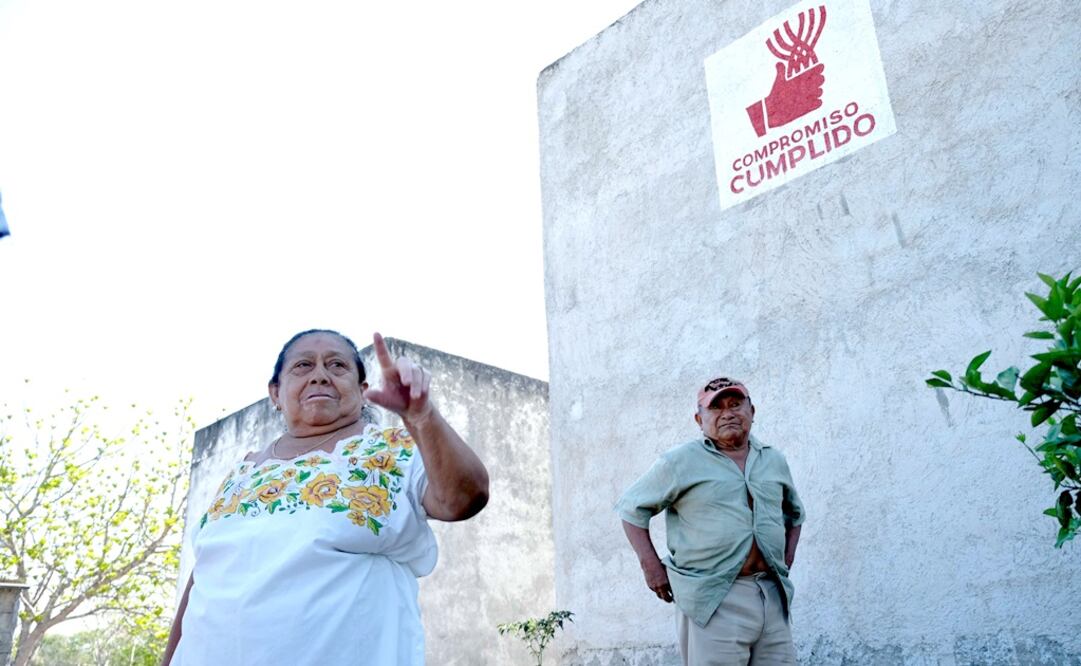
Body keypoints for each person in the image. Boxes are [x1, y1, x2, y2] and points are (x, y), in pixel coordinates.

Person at [162, 329, 489, 665]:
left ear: (362, 390)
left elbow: (464, 498)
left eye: (337, 365)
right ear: (275, 392)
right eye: (303, 365)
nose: (320, 375)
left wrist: (422, 416)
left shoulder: (395, 448)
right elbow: (202, 577)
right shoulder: (242, 473)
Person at [615, 377, 804, 666]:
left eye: (735, 404)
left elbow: (795, 514)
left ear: (752, 411)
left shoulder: (773, 460)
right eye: (716, 407)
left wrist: (785, 560)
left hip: (771, 595)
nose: (728, 413)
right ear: (699, 419)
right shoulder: (680, 461)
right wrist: (651, 567)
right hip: (713, 598)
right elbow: (631, 509)